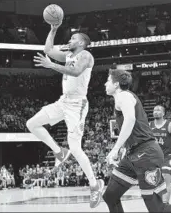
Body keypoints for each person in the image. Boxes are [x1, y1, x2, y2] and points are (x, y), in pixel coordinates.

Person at [27, 22, 104, 208]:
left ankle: (95, 186)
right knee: (32, 124)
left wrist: (51, 65)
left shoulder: (86, 55)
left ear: (82, 43)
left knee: (76, 148)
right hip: (63, 101)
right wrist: (53, 29)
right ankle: (59, 152)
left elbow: (76, 72)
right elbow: (48, 49)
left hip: (77, 105)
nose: (70, 40)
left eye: (73, 38)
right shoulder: (69, 54)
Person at [103, 67, 171, 212]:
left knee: (156, 208)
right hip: (133, 155)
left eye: (108, 81)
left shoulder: (124, 96)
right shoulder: (122, 98)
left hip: (146, 153)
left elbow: (130, 119)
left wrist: (115, 148)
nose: (105, 84)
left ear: (116, 84)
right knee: (110, 196)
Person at [150, 105, 171, 204]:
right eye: (154, 110)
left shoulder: (169, 125)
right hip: (153, 158)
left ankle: (165, 204)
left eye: (158, 110)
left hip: (166, 156)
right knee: (154, 183)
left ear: (163, 113)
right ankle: (158, 205)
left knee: (166, 178)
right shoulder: (149, 126)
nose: (155, 111)